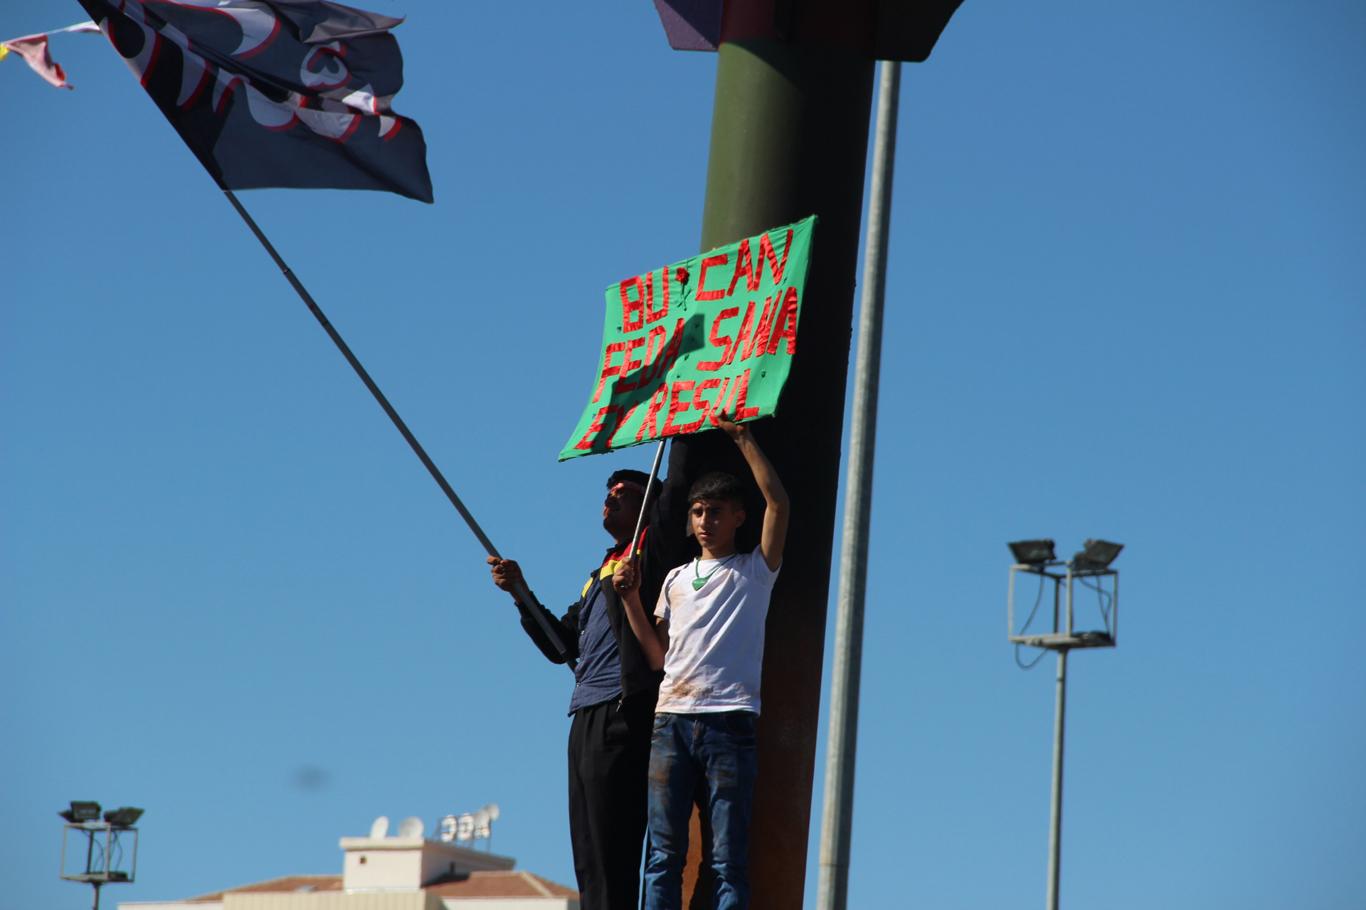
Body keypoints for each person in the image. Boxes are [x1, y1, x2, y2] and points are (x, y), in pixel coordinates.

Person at [487, 450, 689, 910]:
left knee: (613, 838)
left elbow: (675, 493)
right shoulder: (599, 573)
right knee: (588, 844)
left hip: (623, 710)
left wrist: (678, 427)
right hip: (585, 713)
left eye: (624, 495)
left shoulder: (650, 554)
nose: (609, 501)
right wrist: (521, 593)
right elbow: (561, 645)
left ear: (648, 507)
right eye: (607, 495)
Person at [612, 414, 789, 910]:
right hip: (671, 720)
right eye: (697, 512)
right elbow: (658, 656)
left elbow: (778, 502)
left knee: (727, 856)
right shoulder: (672, 579)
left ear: (738, 517)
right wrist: (629, 601)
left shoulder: (754, 570)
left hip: (729, 721)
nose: (705, 521)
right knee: (663, 853)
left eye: (715, 512)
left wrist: (744, 439)